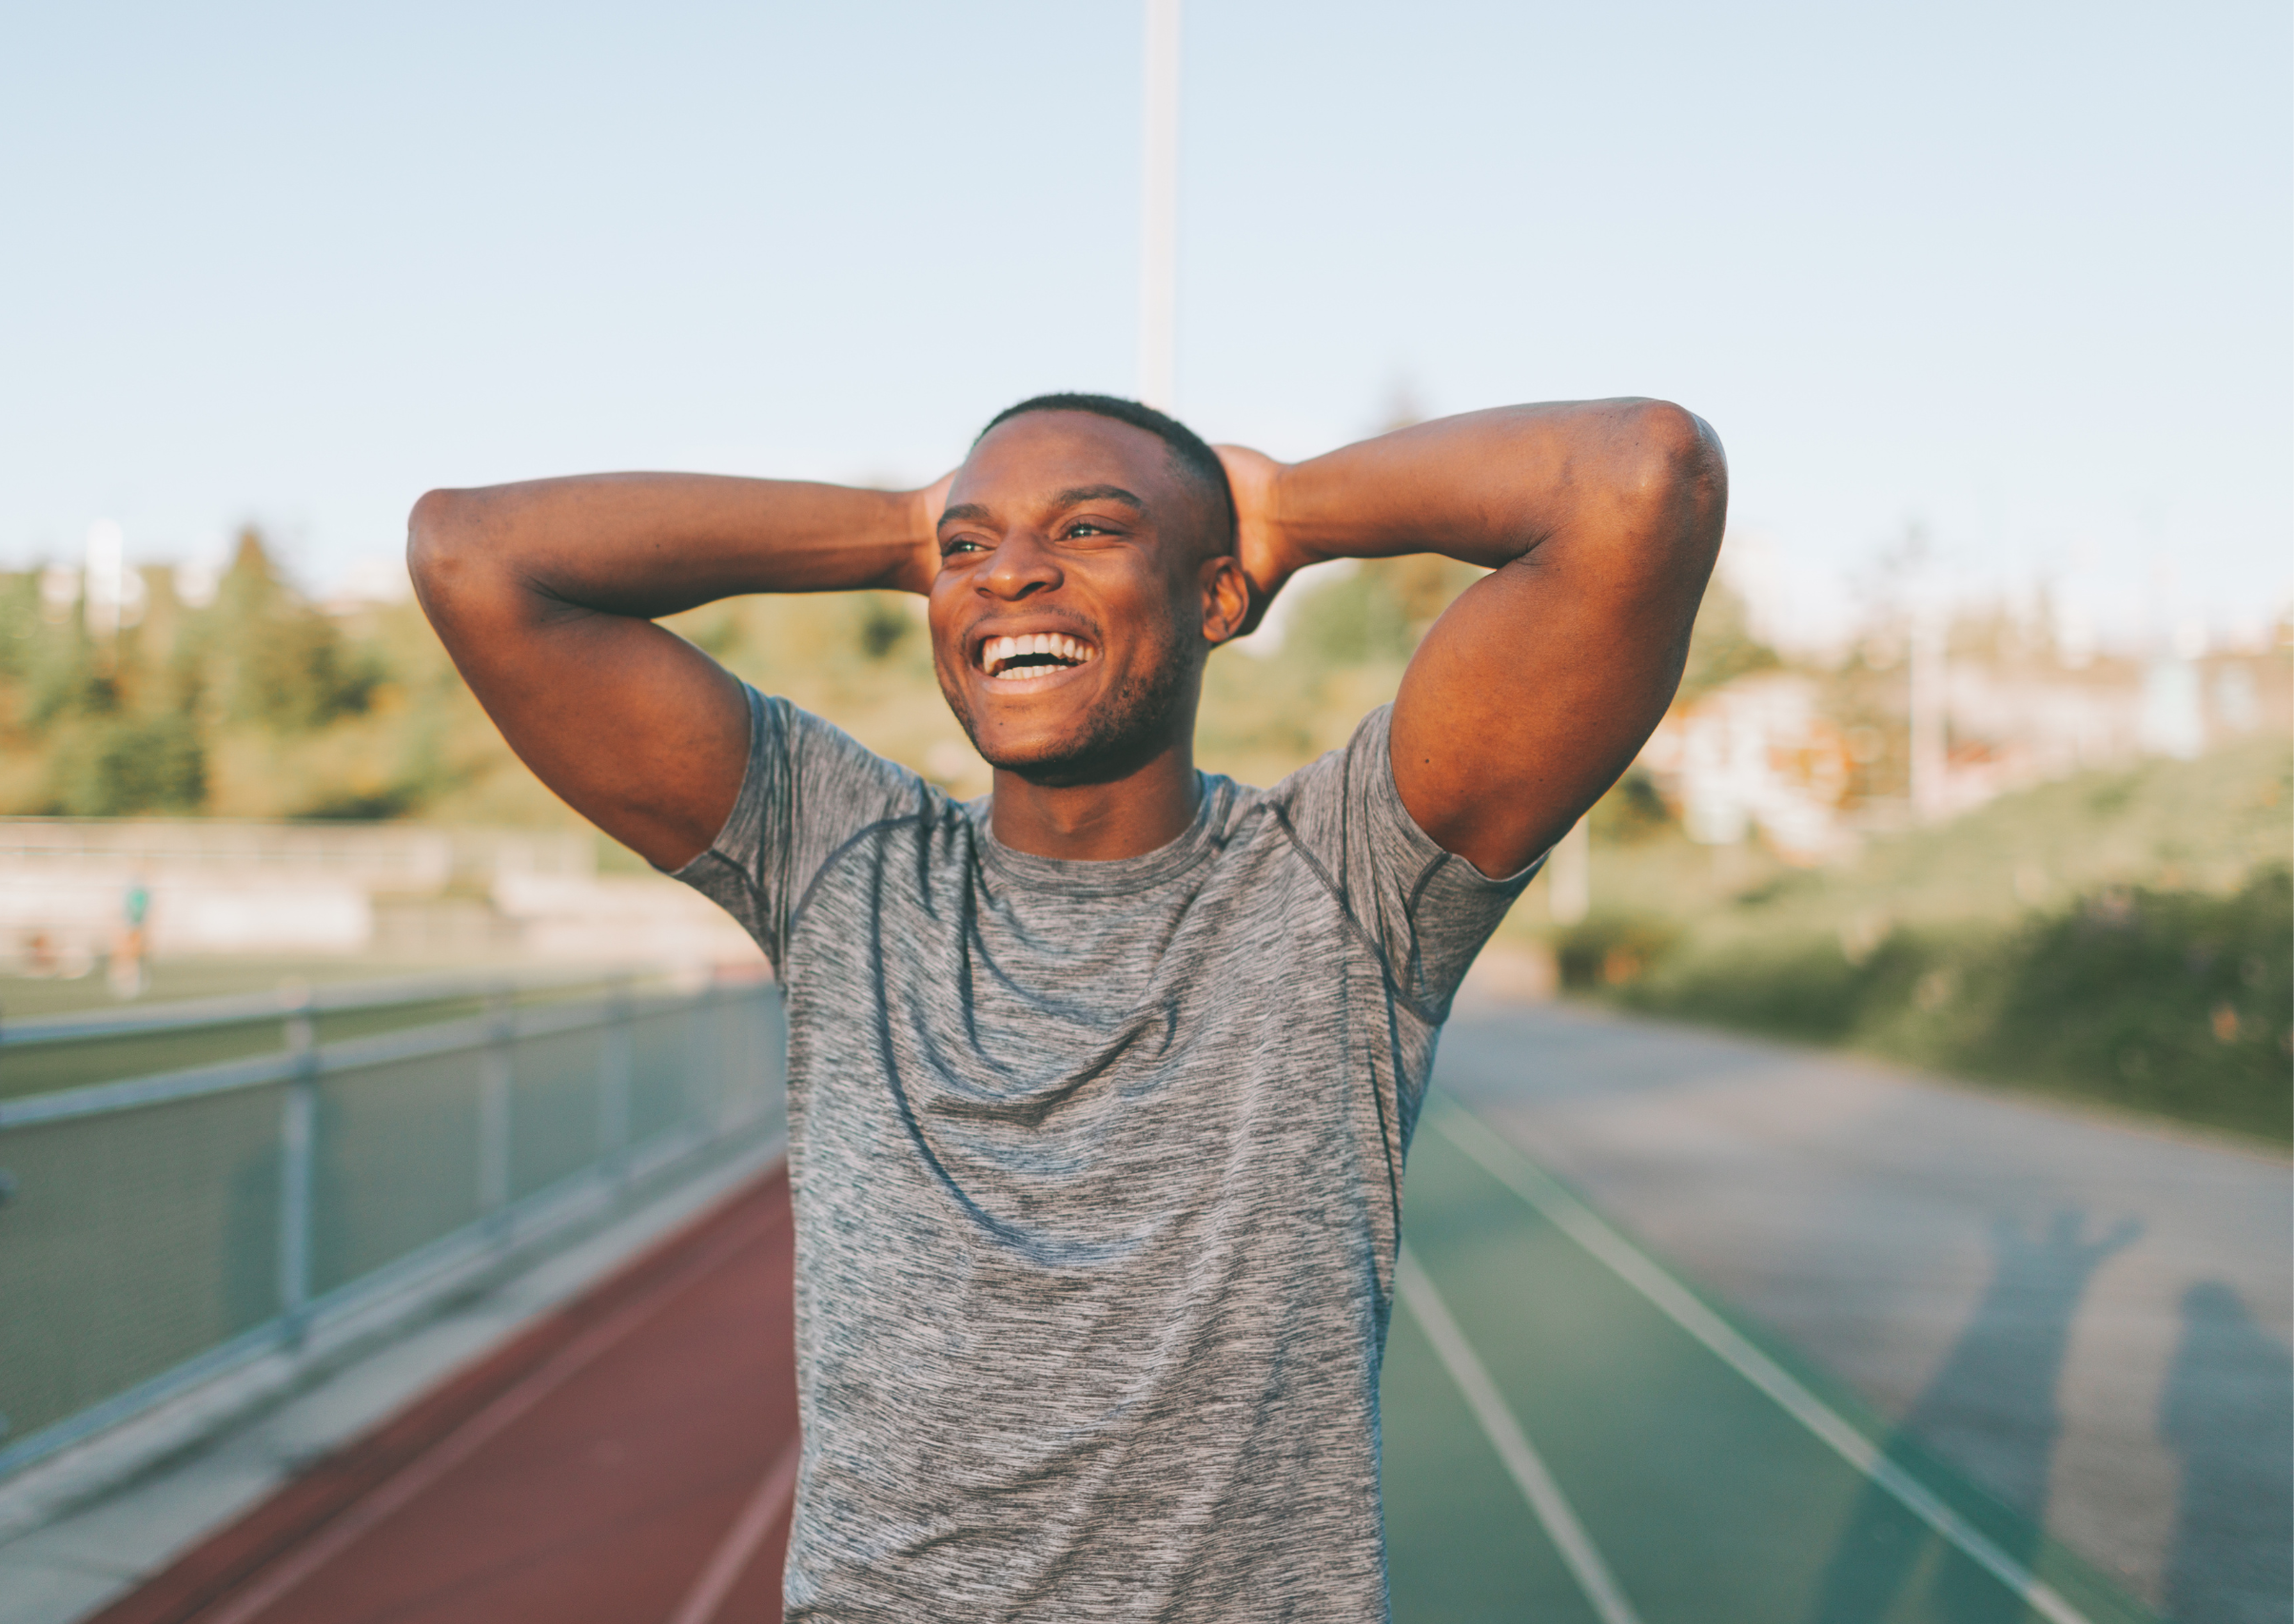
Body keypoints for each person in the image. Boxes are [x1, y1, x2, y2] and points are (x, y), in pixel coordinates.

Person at [408, 393, 1726, 1621]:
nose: (1011, 571)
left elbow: (1640, 477)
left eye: (1089, 528)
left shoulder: (1347, 879)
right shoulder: (840, 854)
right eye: (972, 545)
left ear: (1217, 595)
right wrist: (899, 531)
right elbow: (474, 553)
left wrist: (1290, 510)